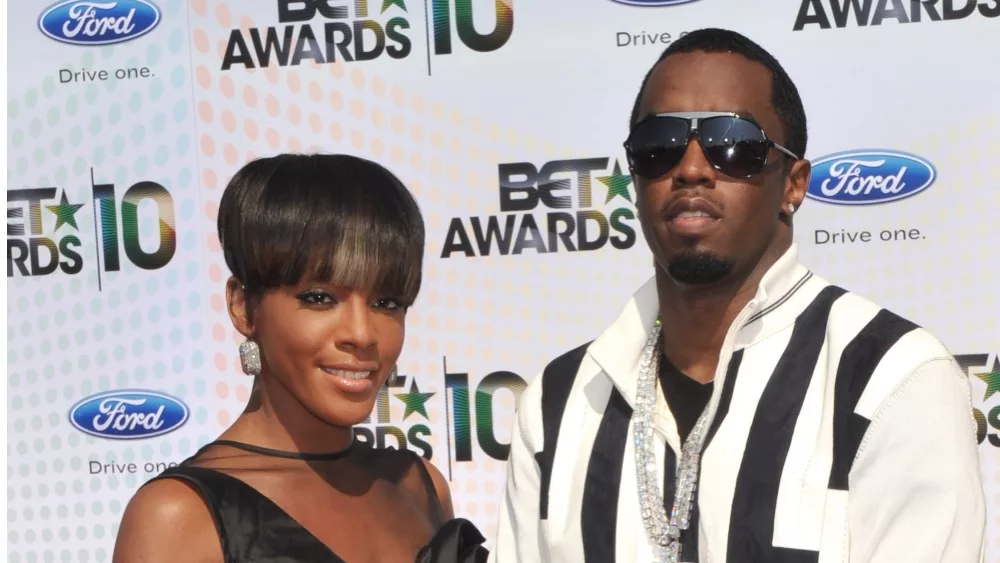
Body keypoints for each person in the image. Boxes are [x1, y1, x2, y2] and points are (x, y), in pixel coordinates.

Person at [491, 28, 985, 563]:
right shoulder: (559, 402)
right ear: (634, 175)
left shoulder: (891, 379)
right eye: (659, 146)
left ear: (793, 183)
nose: (692, 169)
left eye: (735, 144)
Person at [113, 154, 488, 563]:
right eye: (320, 298)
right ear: (243, 307)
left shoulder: (421, 485)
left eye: (387, 302)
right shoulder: (179, 515)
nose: (362, 334)